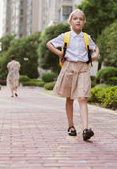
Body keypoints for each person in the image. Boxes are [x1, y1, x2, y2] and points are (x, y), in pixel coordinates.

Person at [46, 9, 99, 141]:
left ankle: (86, 129)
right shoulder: (65, 36)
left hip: (83, 69)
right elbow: (49, 44)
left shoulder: (86, 37)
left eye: (81, 19)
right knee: (69, 98)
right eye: (75, 18)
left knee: (82, 97)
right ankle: (71, 127)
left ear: (84, 22)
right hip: (69, 67)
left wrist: (95, 56)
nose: (78, 21)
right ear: (70, 21)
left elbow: (95, 48)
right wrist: (59, 54)